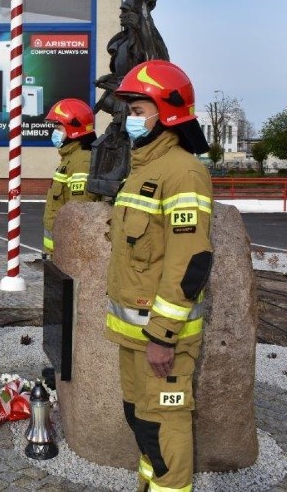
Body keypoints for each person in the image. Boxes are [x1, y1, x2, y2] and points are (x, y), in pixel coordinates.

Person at [104, 60, 213, 492]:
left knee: (166, 423)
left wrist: (163, 335)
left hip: (161, 340)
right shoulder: (143, 169)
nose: (130, 117)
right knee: (141, 419)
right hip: (134, 336)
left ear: (166, 111)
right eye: (128, 108)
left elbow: (191, 261)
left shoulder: (183, 172)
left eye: (136, 108)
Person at [42, 98, 101, 255]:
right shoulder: (69, 158)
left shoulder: (81, 161)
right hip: (58, 250)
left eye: (58, 127)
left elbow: (80, 212)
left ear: (73, 127)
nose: (54, 132)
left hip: (68, 253)